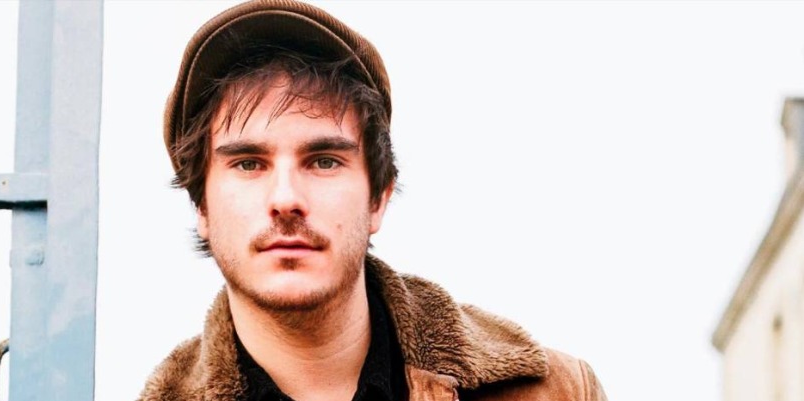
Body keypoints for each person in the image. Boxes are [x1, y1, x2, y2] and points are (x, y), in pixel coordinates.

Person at [139, 1, 607, 400]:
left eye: (323, 161)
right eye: (248, 164)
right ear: (201, 206)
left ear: (378, 197)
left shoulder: (557, 391)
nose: (285, 199)